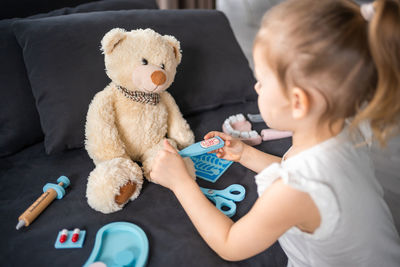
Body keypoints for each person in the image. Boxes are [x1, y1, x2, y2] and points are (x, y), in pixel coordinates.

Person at [150, 0, 400, 265]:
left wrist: (181, 183)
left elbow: (230, 244)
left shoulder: (293, 192)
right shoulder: (346, 127)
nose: (256, 88)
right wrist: (245, 153)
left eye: (262, 80)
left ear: (298, 102)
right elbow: (300, 170)